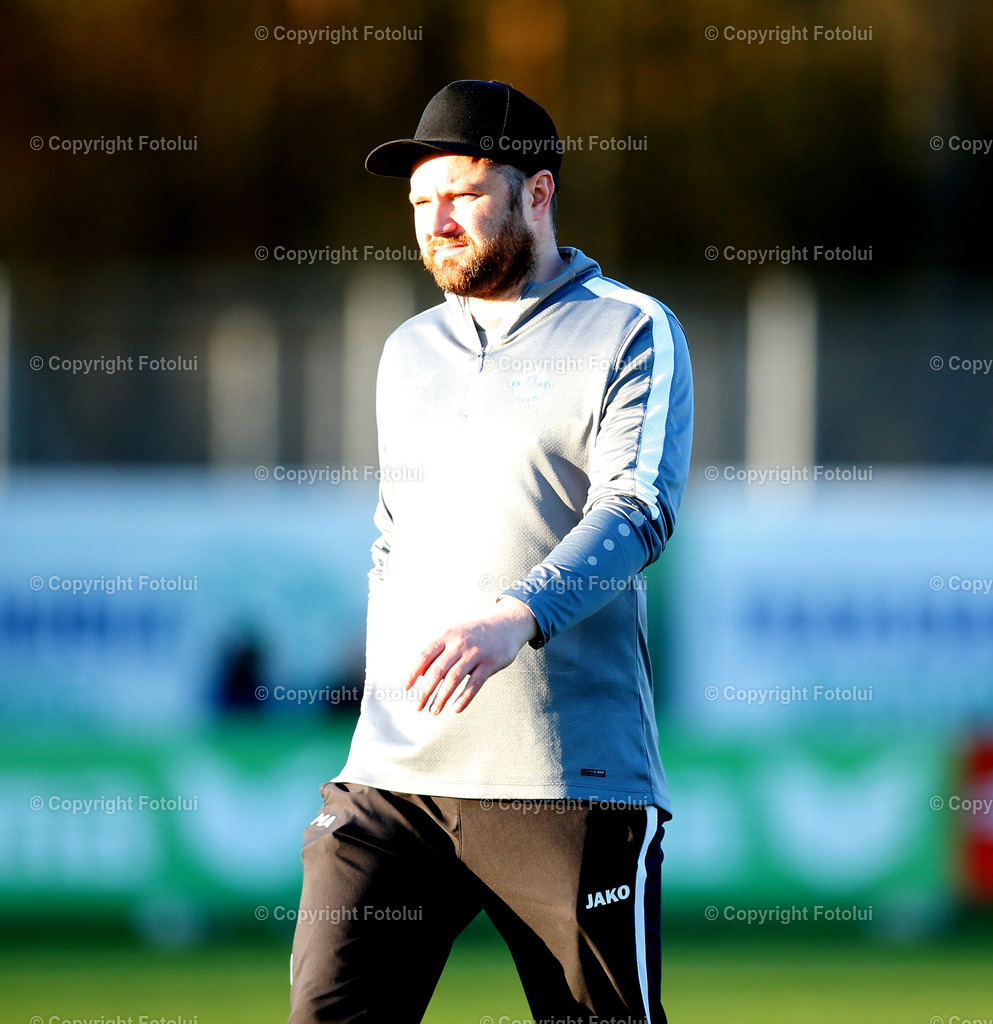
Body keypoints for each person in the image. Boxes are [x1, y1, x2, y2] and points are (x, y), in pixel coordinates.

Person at [288, 79, 693, 1024]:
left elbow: (638, 510)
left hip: (565, 782)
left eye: (463, 195)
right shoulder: (408, 348)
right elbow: (395, 535)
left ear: (537, 193)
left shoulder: (631, 327)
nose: (436, 222)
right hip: (392, 779)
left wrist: (517, 615)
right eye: (420, 202)